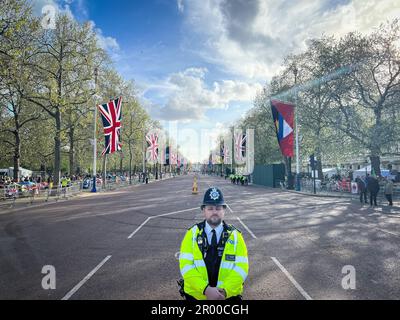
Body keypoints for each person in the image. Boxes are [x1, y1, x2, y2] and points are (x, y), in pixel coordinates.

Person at [178, 187, 248, 300]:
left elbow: (241, 268)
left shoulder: (236, 236)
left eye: (218, 208)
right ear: (203, 210)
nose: (214, 212)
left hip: (227, 297)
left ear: (224, 210)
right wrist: (205, 290)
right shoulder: (191, 234)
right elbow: (186, 267)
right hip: (197, 296)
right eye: (210, 208)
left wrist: (225, 291)